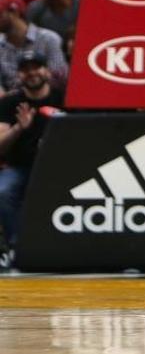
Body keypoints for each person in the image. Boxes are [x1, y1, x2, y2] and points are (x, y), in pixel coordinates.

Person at [0, 51, 64, 263]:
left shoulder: (63, 97)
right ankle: (18, 247)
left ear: (47, 70)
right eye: (26, 70)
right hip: (21, 167)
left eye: (36, 67)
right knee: (3, 191)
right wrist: (19, 127)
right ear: (19, 75)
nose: (32, 73)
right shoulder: (10, 103)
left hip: (60, 167)